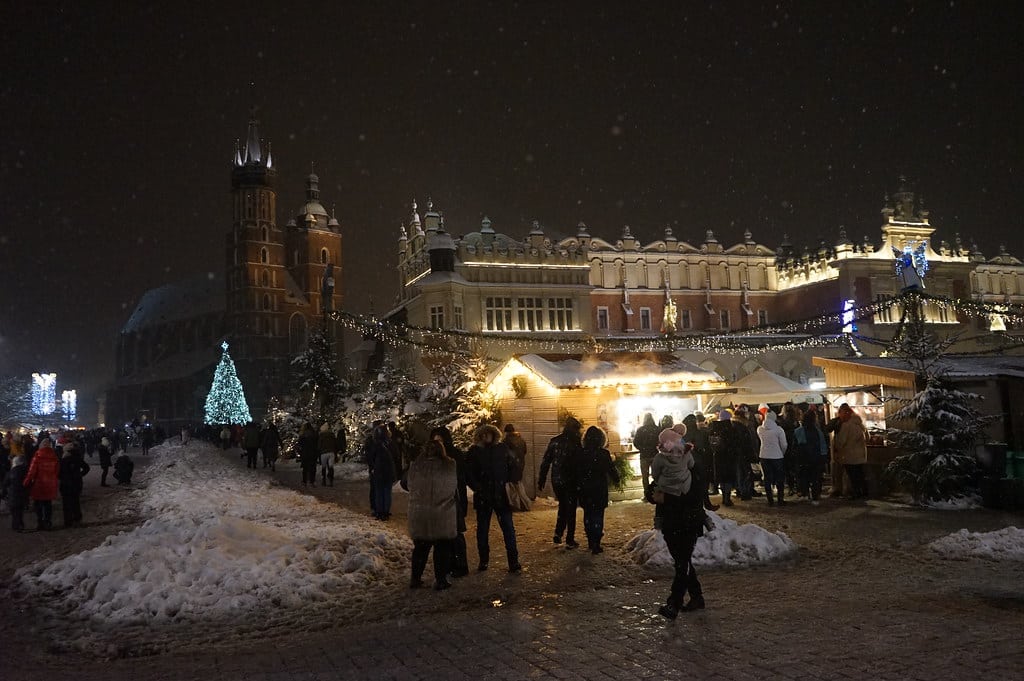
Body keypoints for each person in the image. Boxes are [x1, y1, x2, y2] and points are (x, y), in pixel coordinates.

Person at [653, 455, 712, 620]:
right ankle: (696, 596)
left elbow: (694, 497)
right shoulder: (665, 474)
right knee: (683, 561)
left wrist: (667, 497)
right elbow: (653, 494)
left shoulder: (692, 473)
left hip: (687, 523)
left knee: (682, 562)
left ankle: (674, 603)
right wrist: (656, 494)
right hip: (671, 524)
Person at [466, 424, 522, 573]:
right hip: (484, 496)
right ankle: (483, 560)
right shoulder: (474, 452)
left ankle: (513, 561)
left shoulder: (502, 449)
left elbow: (513, 466)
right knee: (483, 530)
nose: (486, 437)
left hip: (501, 495)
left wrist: (508, 482)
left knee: (508, 529)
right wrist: (478, 487)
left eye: (488, 434)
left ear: (493, 435)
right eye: (483, 435)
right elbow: (469, 473)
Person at [403, 439, 458, 590]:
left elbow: (406, 484)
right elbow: (454, 487)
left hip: (420, 512)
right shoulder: (449, 466)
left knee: (421, 548)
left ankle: (415, 579)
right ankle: (440, 580)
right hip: (442, 513)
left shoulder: (416, 466)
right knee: (442, 548)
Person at [538, 417, 583, 547]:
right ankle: (569, 538)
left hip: (557, 479)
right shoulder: (577, 442)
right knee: (571, 508)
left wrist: (542, 478)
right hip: (571, 479)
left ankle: (558, 532)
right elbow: (581, 463)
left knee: (563, 505)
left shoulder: (554, 441)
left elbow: (546, 461)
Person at [431, 426, 469, 577]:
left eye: (440, 440)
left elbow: (462, 479)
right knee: (442, 537)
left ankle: (460, 565)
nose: (438, 443)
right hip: (438, 502)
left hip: (453, 500)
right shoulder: (430, 457)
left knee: (456, 534)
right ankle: (447, 565)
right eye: (435, 440)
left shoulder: (455, 456)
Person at [576, 426, 620, 554]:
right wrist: (616, 479)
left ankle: (591, 539)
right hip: (599, 488)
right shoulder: (603, 454)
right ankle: (596, 541)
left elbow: (576, 471)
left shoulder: (581, 453)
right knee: (598, 514)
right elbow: (611, 470)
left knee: (588, 514)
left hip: (585, 488)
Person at [24, 438, 60, 530]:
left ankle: (40, 522)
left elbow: (31, 471)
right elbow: (57, 471)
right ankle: (48, 522)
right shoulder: (54, 456)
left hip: (39, 484)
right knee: (48, 504)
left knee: (38, 504)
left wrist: (26, 482)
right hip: (50, 483)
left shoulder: (37, 455)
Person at [834, 404, 869, 499]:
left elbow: (841, 441)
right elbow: (867, 437)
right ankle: (864, 492)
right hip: (861, 455)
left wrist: (836, 446)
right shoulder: (860, 424)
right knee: (860, 474)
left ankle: (856, 493)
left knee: (853, 476)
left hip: (850, 455)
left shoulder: (846, 425)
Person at [795, 408, 829, 504]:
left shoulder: (798, 431)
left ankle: (805, 494)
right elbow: (823, 446)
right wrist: (824, 457)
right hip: (816, 458)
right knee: (815, 478)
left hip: (803, 458)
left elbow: (795, 445)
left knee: (804, 477)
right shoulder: (818, 432)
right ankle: (815, 497)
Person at [757, 410, 789, 506]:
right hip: (777, 456)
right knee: (780, 478)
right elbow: (784, 444)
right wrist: (781, 453)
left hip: (764, 455)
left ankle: (770, 500)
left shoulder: (759, 429)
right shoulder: (779, 430)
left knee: (767, 478)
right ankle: (780, 499)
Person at [709, 410, 738, 506]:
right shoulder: (731, 428)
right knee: (728, 477)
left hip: (717, 456)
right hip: (729, 456)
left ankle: (723, 496)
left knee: (721, 477)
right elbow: (735, 443)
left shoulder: (714, 428)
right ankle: (727, 497)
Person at [367, 424, 397, 519]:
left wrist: (372, 467)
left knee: (379, 491)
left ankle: (379, 511)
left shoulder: (376, 444)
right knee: (387, 491)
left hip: (378, 470)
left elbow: (371, 457)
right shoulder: (391, 443)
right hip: (388, 469)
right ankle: (386, 511)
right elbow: (396, 455)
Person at [59, 441, 91, 527]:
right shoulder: (77, 458)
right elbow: (86, 468)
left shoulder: (64, 459)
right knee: (75, 501)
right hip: (76, 483)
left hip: (66, 484)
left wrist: (61, 478)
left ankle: (68, 521)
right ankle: (77, 518)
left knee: (66, 503)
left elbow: (59, 472)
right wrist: (80, 475)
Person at [502, 424, 531, 511]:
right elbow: (524, 452)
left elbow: (505, 455)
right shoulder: (521, 440)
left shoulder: (506, 441)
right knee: (519, 485)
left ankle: (517, 506)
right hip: (520, 465)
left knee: (512, 488)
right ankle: (525, 504)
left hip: (510, 467)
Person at [633, 413, 660, 497]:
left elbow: (635, 442)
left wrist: (642, 448)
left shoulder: (641, 429)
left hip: (644, 456)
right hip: (654, 455)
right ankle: (656, 493)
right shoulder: (657, 429)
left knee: (645, 477)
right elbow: (660, 441)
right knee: (656, 475)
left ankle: (646, 494)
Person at [7, 455, 28, 532]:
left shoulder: (11, 472)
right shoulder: (25, 471)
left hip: (13, 494)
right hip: (22, 493)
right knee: (20, 510)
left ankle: (16, 525)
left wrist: (4, 494)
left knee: (14, 511)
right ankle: (20, 524)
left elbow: (6, 483)